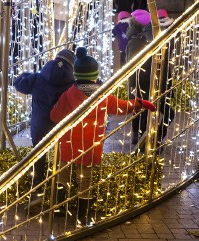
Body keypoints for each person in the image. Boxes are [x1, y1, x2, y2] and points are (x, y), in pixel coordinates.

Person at [50, 47, 155, 225]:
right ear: (95, 74)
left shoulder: (67, 95)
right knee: (85, 180)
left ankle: (60, 207)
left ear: (76, 75)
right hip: (90, 146)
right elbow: (122, 107)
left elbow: (54, 116)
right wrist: (141, 103)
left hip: (68, 144)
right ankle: (83, 214)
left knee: (63, 175)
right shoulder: (104, 96)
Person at [14, 48, 75, 190]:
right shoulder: (72, 82)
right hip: (60, 124)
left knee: (38, 154)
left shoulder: (38, 78)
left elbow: (19, 84)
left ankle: (36, 186)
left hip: (39, 125)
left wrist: (25, 75)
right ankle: (59, 187)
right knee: (61, 154)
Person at [125, 9, 175, 148]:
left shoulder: (140, 39)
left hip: (148, 84)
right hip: (145, 84)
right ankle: (146, 141)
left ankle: (148, 139)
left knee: (146, 113)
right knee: (148, 113)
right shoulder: (139, 41)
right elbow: (136, 67)